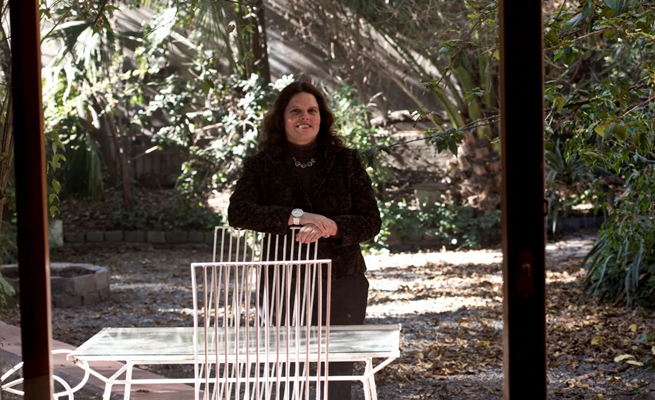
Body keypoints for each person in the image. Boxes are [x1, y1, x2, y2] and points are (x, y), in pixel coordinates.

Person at [228, 81, 381, 400]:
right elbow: (238, 212)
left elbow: (371, 221)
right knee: (286, 372)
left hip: (342, 280)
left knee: (338, 372)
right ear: (281, 118)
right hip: (283, 280)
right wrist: (296, 217)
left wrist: (332, 227)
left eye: (312, 110)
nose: (304, 117)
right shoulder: (262, 164)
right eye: (295, 111)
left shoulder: (347, 161)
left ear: (322, 118)